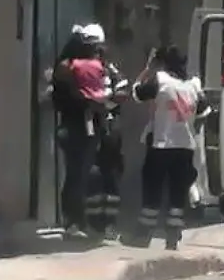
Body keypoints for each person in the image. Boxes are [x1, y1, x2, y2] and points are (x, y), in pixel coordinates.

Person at [132, 45, 202, 249]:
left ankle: (143, 235)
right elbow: (205, 111)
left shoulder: (161, 79)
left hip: (162, 145)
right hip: (186, 147)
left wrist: (147, 69)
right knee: (177, 193)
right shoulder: (194, 85)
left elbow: (138, 94)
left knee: (153, 189)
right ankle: (173, 236)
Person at [48, 30, 109, 237]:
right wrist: (92, 101)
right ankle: (72, 221)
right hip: (74, 127)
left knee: (81, 175)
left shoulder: (86, 66)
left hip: (87, 127)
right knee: (76, 175)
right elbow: (72, 96)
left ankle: (78, 221)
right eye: (91, 47)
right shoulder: (67, 67)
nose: (94, 51)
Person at [77, 23, 132, 238]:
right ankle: (93, 224)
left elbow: (123, 93)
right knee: (91, 175)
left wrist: (103, 101)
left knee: (110, 176)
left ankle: (108, 224)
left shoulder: (110, 70)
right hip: (89, 128)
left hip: (108, 130)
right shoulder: (79, 68)